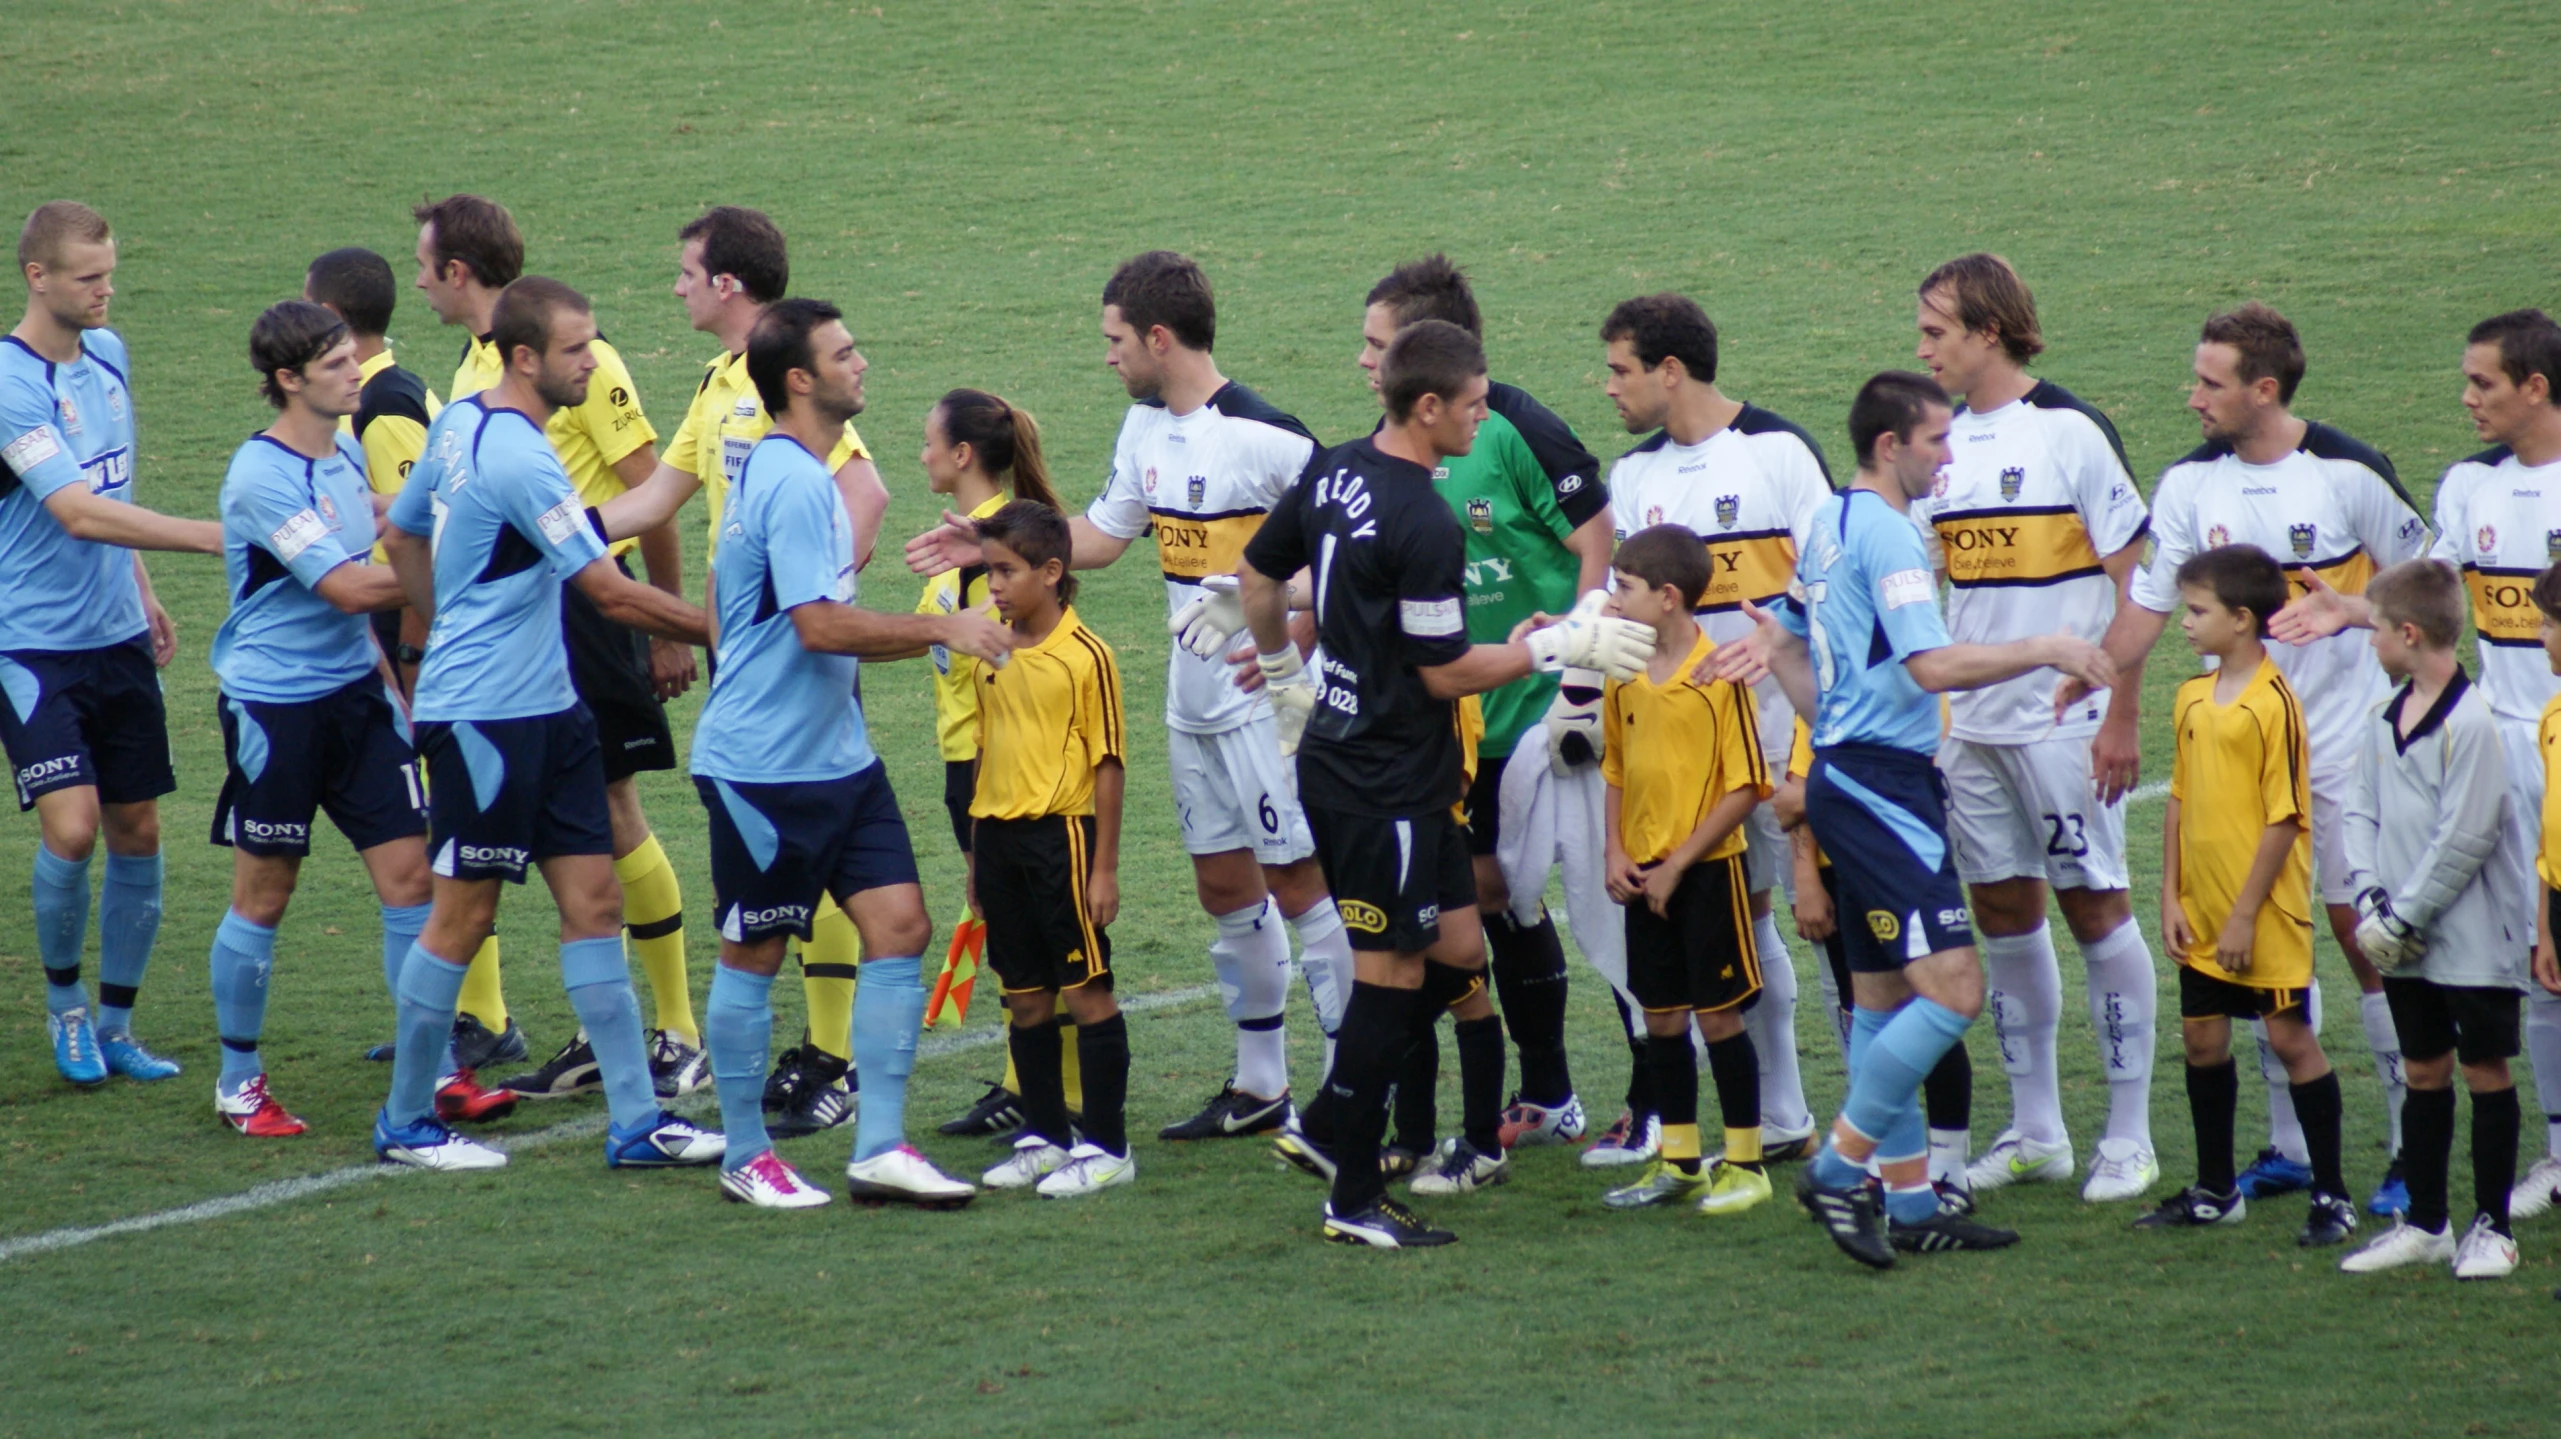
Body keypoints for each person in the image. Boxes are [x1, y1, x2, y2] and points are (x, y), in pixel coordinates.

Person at [908, 251, 1354, 1144]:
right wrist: (990, 543)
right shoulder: (1143, 432)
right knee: (1224, 885)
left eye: (1115, 340)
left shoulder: (1272, 439)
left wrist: (1283, 619)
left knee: (1300, 883)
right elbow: (1102, 538)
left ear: (1158, 337)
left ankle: (1348, 1092)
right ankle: (1260, 1082)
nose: (1108, 357)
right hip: (1189, 705)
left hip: (1260, 700)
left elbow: (1347, 556)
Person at [1239, 319, 1656, 1247]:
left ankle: (1344, 1118)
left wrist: (1283, 681)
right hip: (1379, 777)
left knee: (1461, 950)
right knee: (1389, 978)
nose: (1483, 419)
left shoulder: (1335, 467)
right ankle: (1349, 1190)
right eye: (1472, 406)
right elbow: (1442, 673)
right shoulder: (1423, 519)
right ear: (1427, 406)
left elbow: (1257, 575)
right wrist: (1556, 645)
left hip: (1388, 767)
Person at [1716, 370, 2112, 1267]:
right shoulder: (1889, 533)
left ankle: (1907, 1202)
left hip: (1846, 778)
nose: (1948, 455)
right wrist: (2047, 644)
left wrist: (1778, 653)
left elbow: (1790, 640)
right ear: (1890, 445)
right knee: (1955, 993)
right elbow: (1930, 667)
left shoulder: (1826, 523)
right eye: (1936, 440)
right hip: (1882, 791)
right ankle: (1837, 1166)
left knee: (1882, 999)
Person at [374, 276, 720, 1172]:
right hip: (485, 716)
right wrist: (731, 625)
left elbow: (406, 533)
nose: (592, 359)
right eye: (576, 348)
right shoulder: (517, 455)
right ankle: (407, 1122)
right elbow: (605, 587)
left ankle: (638, 1123)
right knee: (463, 914)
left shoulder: (463, 426)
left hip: (551, 707)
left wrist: (441, 615)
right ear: (525, 356)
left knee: (594, 903)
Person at [2088, 302, 2426, 1213]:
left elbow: (2428, 590)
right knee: (2253, 952)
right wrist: (2093, 672)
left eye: (2209, 381)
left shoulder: (2347, 473)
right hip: (2238, 757)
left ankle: (2403, 1152)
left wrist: (2354, 611)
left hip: (2350, 751)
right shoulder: (2189, 486)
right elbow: (2146, 611)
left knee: (2365, 942)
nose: (2190, 395)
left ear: (2262, 390)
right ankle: (2283, 1150)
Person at [693, 299, 1007, 1208]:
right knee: (754, 947)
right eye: (844, 353)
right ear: (800, 379)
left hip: (838, 758)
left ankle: (878, 1144)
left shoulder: (802, 471)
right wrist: (941, 623)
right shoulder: (792, 479)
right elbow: (820, 624)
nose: (861, 363)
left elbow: (726, 594)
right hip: (764, 768)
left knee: (900, 929)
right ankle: (746, 1153)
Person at [606, 206, 894, 1133]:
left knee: (818, 844)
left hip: (793, 655)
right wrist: (549, 529)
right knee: (799, 859)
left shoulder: (787, 376)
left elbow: (867, 488)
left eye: (686, 272)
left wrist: (817, 592)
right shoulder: (722, 381)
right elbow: (656, 495)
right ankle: (812, 1060)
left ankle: (831, 1056)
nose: (678, 286)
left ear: (727, 283)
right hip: (756, 660)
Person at [2272, 310, 2561, 1226]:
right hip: (2500, 748)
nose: (2466, 397)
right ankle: (2554, 1151)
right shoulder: (2468, 483)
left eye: (2481, 382)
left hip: (2552, 739)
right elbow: (2428, 593)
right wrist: (2353, 612)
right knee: (2533, 957)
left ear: (2534, 388)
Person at [1342, 256, 1612, 1156]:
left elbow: (1596, 543)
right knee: (1479, 901)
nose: (1362, 364)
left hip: (1536, 707)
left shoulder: (1514, 427)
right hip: (1455, 717)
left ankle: (1577, 1092)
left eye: (1376, 347)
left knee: (1535, 896)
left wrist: (1577, 679)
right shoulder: (1398, 451)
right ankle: (1521, 1096)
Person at [1911, 254, 2161, 1202]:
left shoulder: (2067, 432)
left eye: (1936, 330)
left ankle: (2129, 1136)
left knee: (2094, 904)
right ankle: (2036, 1130)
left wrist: (2120, 711)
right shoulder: (1934, 442)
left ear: (1987, 331)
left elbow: (2141, 583)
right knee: (2003, 912)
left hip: (2065, 723)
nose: (1922, 347)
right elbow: (1935, 581)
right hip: (1969, 724)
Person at [204, 302, 473, 1137]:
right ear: (289, 379)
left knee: (412, 882)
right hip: (275, 706)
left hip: (359, 697)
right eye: (336, 364)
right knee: (266, 890)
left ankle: (434, 1074)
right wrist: (470, 562)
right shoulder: (261, 477)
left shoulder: (348, 448)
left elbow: (391, 529)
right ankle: (239, 1081)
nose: (358, 372)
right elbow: (352, 588)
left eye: (353, 359)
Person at [1598, 292, 1826, 1166]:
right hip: (1688, 752)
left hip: (1780, 735)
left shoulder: (1776, 451)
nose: (1609, 387)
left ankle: (1853, 1126)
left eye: (1620, 369)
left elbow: (1828, 579)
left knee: (1813, 917)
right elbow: (1629, 610)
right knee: (1746, 921)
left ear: (1668, 369)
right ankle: (1776, 1116)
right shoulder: (1635, 477)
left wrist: (1777, 656)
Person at [2, 200, 223, 1087]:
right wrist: (211, 535)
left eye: (110, 274)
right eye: (88, 278)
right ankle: (67, 1008)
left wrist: (143, 586)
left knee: (138, 827)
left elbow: (112, 483)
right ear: (39, 277)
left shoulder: (111, 356)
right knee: (75, 823)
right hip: (30, 644)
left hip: (117, 635)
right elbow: (73, 508)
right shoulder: (11, 382)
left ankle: (122, 1024)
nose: (105, 291)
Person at [2128, 545, 2356, 1246]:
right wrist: (2170, 895)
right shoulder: (2191, 695)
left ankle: (2332, 1193)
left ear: (2241, 618)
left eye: (2196, 611)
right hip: (2200, 910)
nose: (2184, 623)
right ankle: (2214, 1188)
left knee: (2290, 1039)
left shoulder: (2273, 703)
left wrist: (2242, 914)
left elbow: (2284, 817)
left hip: (2261, 913)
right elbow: (2177, 799)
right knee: (2201, 1040)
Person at [2334, 559, 2534, 1278]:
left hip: (2471, 936)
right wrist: (2368, 899)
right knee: (2423, 1067)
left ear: (2408, 633)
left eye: (2375, 630)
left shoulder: (2472, 722)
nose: (2370, 642)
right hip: (2400, 934)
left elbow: (2466, 834)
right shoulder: (2382, 717)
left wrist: (2402, 912)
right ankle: (2425, 1221)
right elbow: (2356, 811)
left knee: (2482, 1067)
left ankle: (2493, 1227)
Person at [918, 390, 1088, 1142]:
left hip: (1000, 765)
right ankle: (1031, 1085)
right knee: (1015, 929)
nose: (919, 453)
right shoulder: (979, 544)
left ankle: (1050, 1093)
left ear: (962, 456)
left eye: (928, 442)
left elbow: (1018, 670)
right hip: (967, 761)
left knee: (1038, 935)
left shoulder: (998, 557)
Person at [1594, 524, 1773, 1217]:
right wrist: (1615, 850)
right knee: (1661, 1020)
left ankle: (1747, 1162)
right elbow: (1614, 766)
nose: (1613, 600)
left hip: (1704, 872)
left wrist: (1677, 863)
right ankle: (1679, 1161)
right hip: (1640, 872)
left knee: (1718, 1017)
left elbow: (1745, 786)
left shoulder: (1715, 673)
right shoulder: (1623, 669)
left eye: (1625, 588)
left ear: (1667, 597)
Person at [967, 501, 1136, 1197]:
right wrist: (977, 859)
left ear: (1052, 571)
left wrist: (1104, 867)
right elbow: (983, 752)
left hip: (1062, 839)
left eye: (1005, 571)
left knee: (1085, 991)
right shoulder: (989, 649)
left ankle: (1107, 1145)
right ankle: (1043, 1134)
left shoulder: (1086, 656)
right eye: (987, 571)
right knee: (1024, 996)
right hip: (999, 840)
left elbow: (1109, 762)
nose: (993, 586)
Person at [1775, 714, 1977, 1206]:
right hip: (1847, 874)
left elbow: (1906, 776)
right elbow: (1788, 801)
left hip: (1905, 868)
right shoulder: (1830, 698)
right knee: (1872, 1015)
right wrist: (1806, 878)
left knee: (1933, 1010)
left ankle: (1945, 1170)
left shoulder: (1917, 686)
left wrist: (1827, 793)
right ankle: (1892, 1181)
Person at [303, 246, 441, 704]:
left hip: (395, 617)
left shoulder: (383, 406)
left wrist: (410, 655)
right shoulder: (383, 391)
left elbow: (419, 535)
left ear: (328, 316)